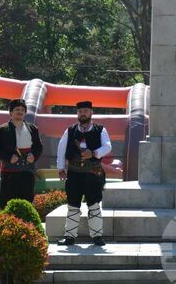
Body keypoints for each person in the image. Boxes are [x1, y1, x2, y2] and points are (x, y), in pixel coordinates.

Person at [57, 100, 112, 246]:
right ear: (77, 113)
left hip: (93, 173)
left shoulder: (100, 129)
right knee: (73, 205)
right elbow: (61, 150)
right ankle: (69, 237)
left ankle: (97, 237)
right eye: (80, 111)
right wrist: (61, 168)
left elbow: (107, 147)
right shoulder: (69, 130)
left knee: (94, 204)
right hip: (74, 173)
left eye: (86, 111)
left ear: (91, 112)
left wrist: (94, 153)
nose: (83, 114)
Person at [0, 99, 44, 209]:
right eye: (17, 109)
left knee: (27, 201)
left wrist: (34, 156)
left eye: (22, 110)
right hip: (9, 171)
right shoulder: (1, 129)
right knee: (7, 202)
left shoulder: (33, 129)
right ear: (11, 112)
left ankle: (26, 225)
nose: (20, 112)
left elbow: (39, 147)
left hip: (27, 170)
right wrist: (8, 157)